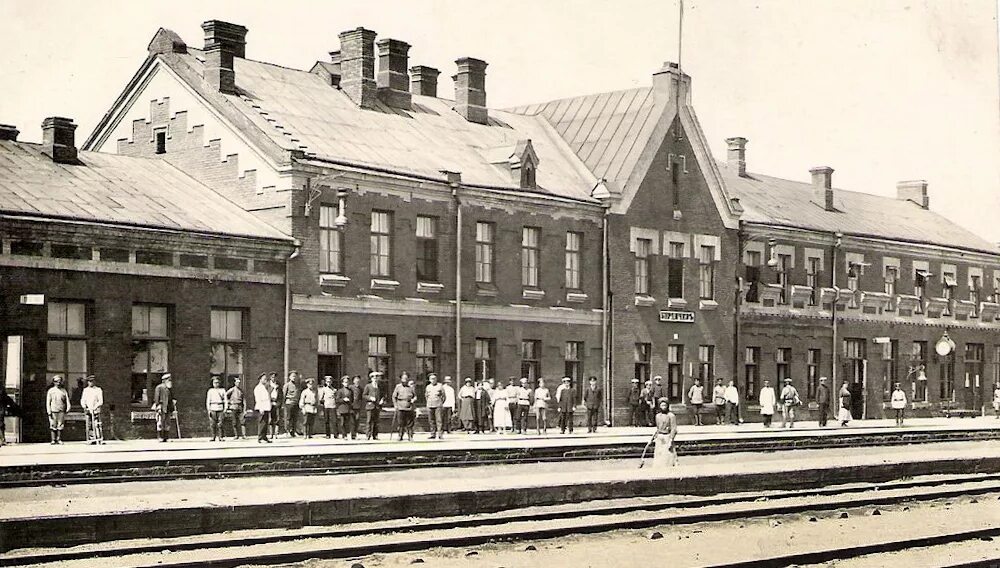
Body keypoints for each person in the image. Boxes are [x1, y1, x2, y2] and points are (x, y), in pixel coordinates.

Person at [652, 398, 678, 467]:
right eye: (662, 405)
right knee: (659, 455)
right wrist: (653, 437)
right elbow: (658, 428)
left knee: (668, 455)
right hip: (660, 437)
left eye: (665, 405)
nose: (663, 407)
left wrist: (671, 440)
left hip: (667, 437)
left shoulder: (671, 416)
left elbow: (674, 429)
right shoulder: (657, 416)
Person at [81, 375, 105, 445]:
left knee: (97, 424)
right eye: (89, 381)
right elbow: (83, 400)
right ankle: (91, 439)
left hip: (95, 409)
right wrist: (84, 406)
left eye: (92, 381)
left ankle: (99, 438)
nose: (91, 383)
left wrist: (94, 407)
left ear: (94, 382)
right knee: (89, 425)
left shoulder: (98, 390)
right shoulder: (86, 390)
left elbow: (100, 401)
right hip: (88, 410)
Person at [151, 374, 175, 443]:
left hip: (168, 408)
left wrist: (173, 404)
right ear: (164, 381)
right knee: (160, 422)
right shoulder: (159, 387)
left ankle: (166, 437)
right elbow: (156, 397)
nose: (170, 382)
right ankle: (160, 437)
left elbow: (170, 399)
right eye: (169, 380)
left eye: (170, 380)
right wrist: (158, 405)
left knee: (167, 423)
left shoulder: (169, 389)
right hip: (161, 407)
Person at [393, 377, 416, 441]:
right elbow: (394, 397)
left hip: (409, 407)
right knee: (401, 423)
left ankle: (410, 436)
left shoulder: (411, 387)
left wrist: (413, 399)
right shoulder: (398, 387)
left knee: (410, 423)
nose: (404, 382)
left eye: (406, 380)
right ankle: (400, 435)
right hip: (400, 406)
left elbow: (415, 396)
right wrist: (395, 405)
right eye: (403, 380)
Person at [362, 372, 384, 440]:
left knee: (376, 421)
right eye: (373, 378)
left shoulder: (380, 386)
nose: (375, 379)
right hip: (370, 406)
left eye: (376, 378)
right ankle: (368, 435)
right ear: (371, 379)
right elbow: (364, 395)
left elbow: (383, 395)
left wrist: (382, 400)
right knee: (369, 421)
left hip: (377, 406)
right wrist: (370, 398)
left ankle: (375, 435)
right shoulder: (368, 386)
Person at [253, 373, 273, 443]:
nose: (265, 380)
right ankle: (260, 437)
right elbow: (258, 399)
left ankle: (264, 436)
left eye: (266, 379)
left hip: (266, 407)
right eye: (264, 379)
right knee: (262, 422)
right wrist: (261, 408)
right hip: (261, 407)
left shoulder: (265, 387)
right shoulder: (258, 388)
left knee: (265, 422)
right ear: (260, 380)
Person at [205, 376, 227, 441]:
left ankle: (221, 437)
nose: (216, 384)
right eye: (214, 383)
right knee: (212, 423)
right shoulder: (210, 391)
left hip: (220, 408)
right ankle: (213, 436)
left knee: (220, 423)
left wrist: (225, 408)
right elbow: (208, 401)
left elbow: (225, 400)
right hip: (213, 407)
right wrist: (208, 409)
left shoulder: (222, 390)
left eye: (217, 382)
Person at [425, 374, 445, 439]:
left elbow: (444, 396)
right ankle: (432, 434)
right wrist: (428, 403)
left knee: (439, 420)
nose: (433, 380)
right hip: (430, 405)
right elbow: (426, 396)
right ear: (429, 380)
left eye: (434, 378)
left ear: (436, 379)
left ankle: (440, 434)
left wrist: (440, 403)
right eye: (431, 379)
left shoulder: (440, 386)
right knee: (431, 420)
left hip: (438, 405)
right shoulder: (428, 387)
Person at [283, 372, 301, 438]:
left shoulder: (297, 385)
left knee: (295, 418)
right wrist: (283, 404)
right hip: (289, 403)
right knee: (289, 418)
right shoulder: (287, 385)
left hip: (296, 403)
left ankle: (293, 431)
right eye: (293, 376)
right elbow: (284, 395)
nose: (294, 378)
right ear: (289, 377)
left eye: (295, 376)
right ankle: (287, 431)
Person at [268, 373, 282, 439]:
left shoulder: (278, 385)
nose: (274, 378)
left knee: (277, 419)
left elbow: (281, 395)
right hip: (270, 404)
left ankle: (276, 434)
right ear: (270, 378)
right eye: (272, 377)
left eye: (275, 377)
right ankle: (271, 434)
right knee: (270, 419)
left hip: (277, 403)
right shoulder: (268, 385)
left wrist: (279, 403)